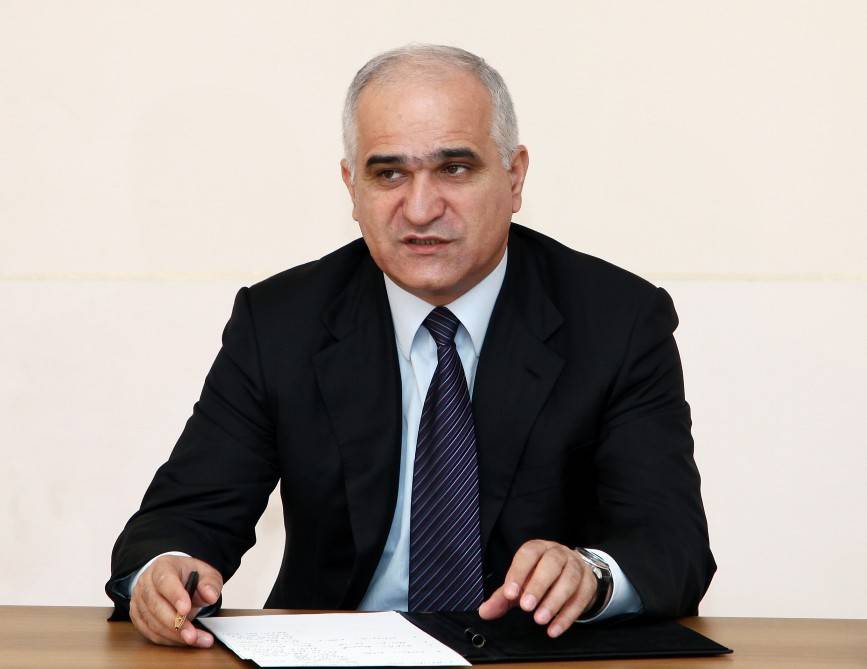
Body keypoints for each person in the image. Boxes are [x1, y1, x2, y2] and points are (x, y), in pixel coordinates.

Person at [106, 44, 715, 649]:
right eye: (389, 174)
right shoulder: (281, 322)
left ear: (514, 176)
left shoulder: (617, 320)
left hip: (534, 656)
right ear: (352, 187)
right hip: (331, 657)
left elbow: (671, 542)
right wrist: (163, 574)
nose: (420, 210)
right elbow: (185, 518)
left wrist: (592, 575)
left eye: (455, 168)